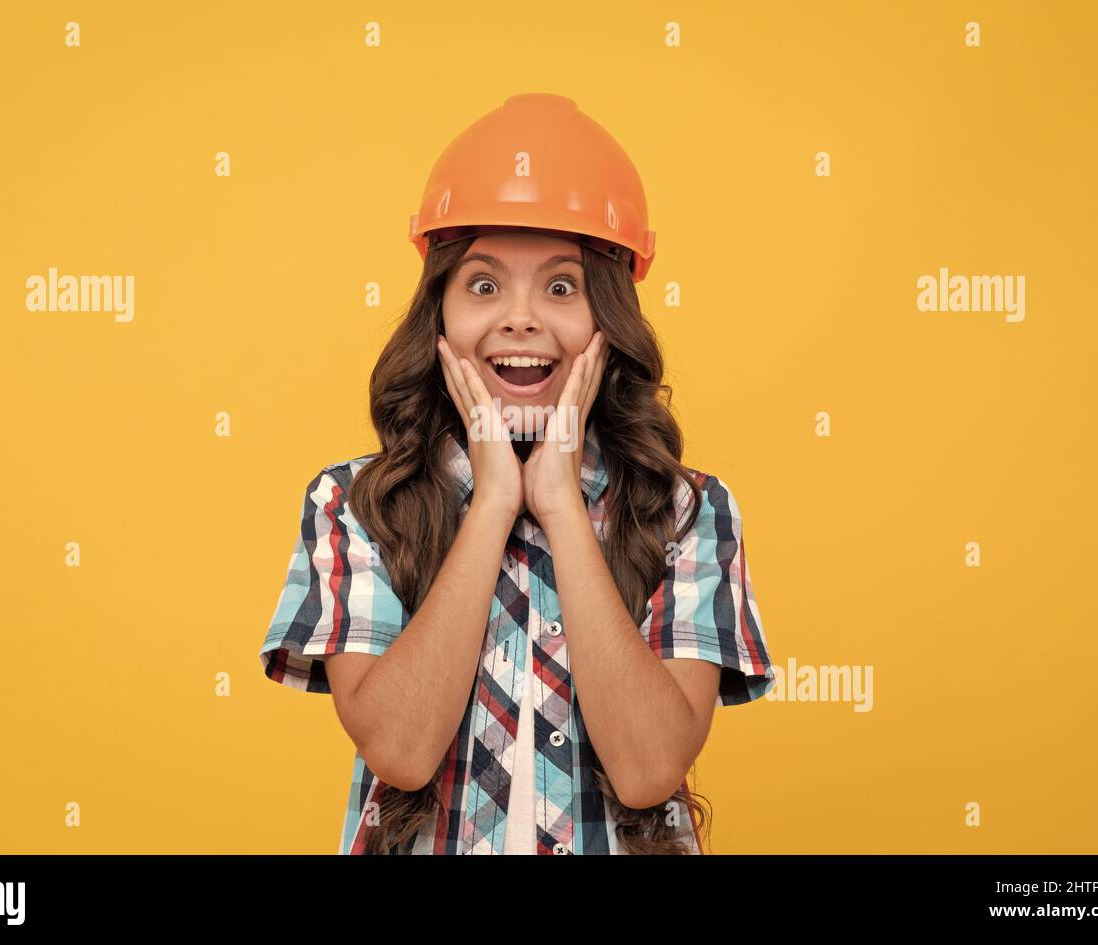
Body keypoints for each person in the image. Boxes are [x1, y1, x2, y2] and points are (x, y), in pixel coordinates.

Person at [259, 93, 775, 854]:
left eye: (562, 287)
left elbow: (648, 770)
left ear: (611, 317)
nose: (520, 318)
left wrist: (563, 508)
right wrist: (496, 499)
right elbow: (399, 750)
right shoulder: (356, 504)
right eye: (484, 284)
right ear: (439, 313)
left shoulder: (689, 511)